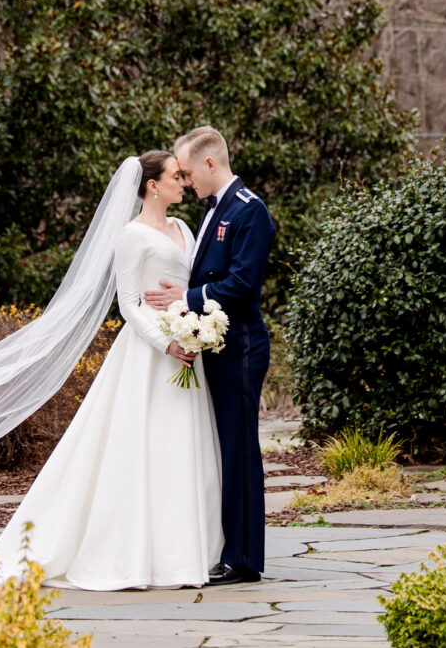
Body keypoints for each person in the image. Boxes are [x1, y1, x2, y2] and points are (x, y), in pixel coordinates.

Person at [0, 150, 222, 589]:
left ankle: (186, 553)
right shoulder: (131, 236)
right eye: (175, 177)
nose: (183, 183)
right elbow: (129, 304)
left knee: (183, 449)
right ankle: (132, 552)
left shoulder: (184, 228)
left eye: (183, 177)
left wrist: (194, 325)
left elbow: (189, 285)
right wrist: (166, 342)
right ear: (152, 185)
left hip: (188, 348)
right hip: (150, 355)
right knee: (143, 447)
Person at [144, 126, 273, 586]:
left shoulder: (248, 212)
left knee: (239, 450)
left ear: (211, 164)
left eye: (189, 171)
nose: (187, 179)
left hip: (240, 346)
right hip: (220, 345)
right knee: (228, 448)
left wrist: (187, 296)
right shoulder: (213, 211)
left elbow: (243, 285)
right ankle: (232, 549)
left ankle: (243, 559)